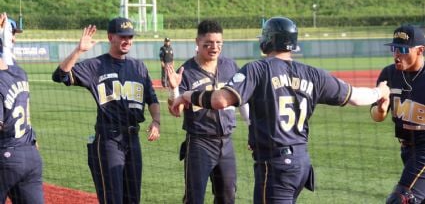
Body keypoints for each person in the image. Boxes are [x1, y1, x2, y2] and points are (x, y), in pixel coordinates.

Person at [170, 16, 390, 203]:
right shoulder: (313, 74)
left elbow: (219, 100)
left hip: (275, 165)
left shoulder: (257, 69)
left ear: (268, 40)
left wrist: (187, 95)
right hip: (301, 164)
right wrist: (380, 91)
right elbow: (357, 97)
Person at [51, 17, 160, 204]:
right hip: (108, 139)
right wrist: (79, 51)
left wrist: (156, 121)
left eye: (130, 37)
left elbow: (152, 98)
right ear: (111, 37)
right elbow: (59, 76)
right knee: (113, 198)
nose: (127, 41)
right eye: (122, 36)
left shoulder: (138, 67)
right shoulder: (95, 66)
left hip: (133, 139)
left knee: (133, 199)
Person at [166, 19, 249, 204]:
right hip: (199, 143)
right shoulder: (185, 71)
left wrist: (252, 127)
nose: (214, 47)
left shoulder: (230, 66)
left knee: (228, 196)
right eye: (208, 43)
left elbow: (242, 100)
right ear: (197, 42)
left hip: (226, 142)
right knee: (194, 198)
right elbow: (176, 110)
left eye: (218, 43)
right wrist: (174, 89)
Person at [371, 25, 425, 203]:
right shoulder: (389, 74)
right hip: (407, 149)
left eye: (403, 49)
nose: (396, 55)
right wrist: (380, 108)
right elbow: (376, 116)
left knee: (401, 198)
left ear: (420, 51)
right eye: (394, 49)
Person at [0, 13, 44, 203]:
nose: (14, 38)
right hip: (30, 154)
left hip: (6, 155)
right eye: (11, 33)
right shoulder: (20, 72)